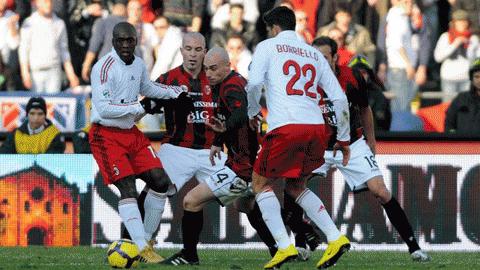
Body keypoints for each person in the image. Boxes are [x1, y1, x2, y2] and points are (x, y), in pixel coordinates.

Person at [246, 6, 351, 269]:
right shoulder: (314, 53)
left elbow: (254, 83)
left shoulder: (267, 47)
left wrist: (252, 112)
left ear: (274, 28)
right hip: (316, 128)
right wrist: (344, 138)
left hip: (286, 126)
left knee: (260, 184)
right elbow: (339, 98)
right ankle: (335, 237)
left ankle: (283, 246)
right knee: (295, 186)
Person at [311, 36, 431, 262]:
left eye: (324, 57)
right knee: (291, 187)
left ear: (336, 57)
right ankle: (303, 241)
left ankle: (414, 247)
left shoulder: (352, 77)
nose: (319, 61)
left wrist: (372, 141)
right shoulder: (306, 80)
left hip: (353, 144)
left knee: (381, 191)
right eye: (315, 56)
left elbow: (365, 109)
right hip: (319, 146)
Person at [88, 21, 190, 264]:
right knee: (128, 188)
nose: (125, 45)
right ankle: (142, 248)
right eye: (121, 40)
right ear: (113, 41)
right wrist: (139, 106)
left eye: (129, 40)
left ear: (136, 41)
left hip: (131, 133)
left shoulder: (139, 64)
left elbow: (148, 87)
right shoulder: (103, 68)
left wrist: (175, 92)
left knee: (161, 181)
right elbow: (103, 109)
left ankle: (146, 241)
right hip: (106, 135)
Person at [0, 96, 65, 154]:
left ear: (45, 115)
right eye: (32, 113)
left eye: (40, 114)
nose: (36, 118)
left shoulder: (55, 135)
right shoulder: (15, 134)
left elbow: (51, 162)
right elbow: (4, 156)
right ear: (27, 115)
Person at [445, 58, 480, 134]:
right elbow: (449, 124)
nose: (479, 80)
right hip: (462, 144)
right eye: (476, 77)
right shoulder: (461, 99)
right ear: (471, 79)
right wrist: (454, 139)